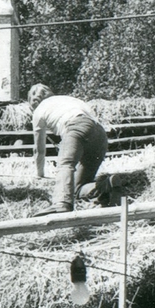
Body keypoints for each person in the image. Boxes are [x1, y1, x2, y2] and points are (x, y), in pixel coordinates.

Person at [28, 84, 109, 213]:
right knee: (76, 188)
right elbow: (89, 124)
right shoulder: (70, 99)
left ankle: (62, 202)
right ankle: (106, 185)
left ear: (34, 102)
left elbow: (39, 150)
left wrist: (40, 175)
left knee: (65, 164)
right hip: (100, 134)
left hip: (76, 126)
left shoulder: (39, 111)